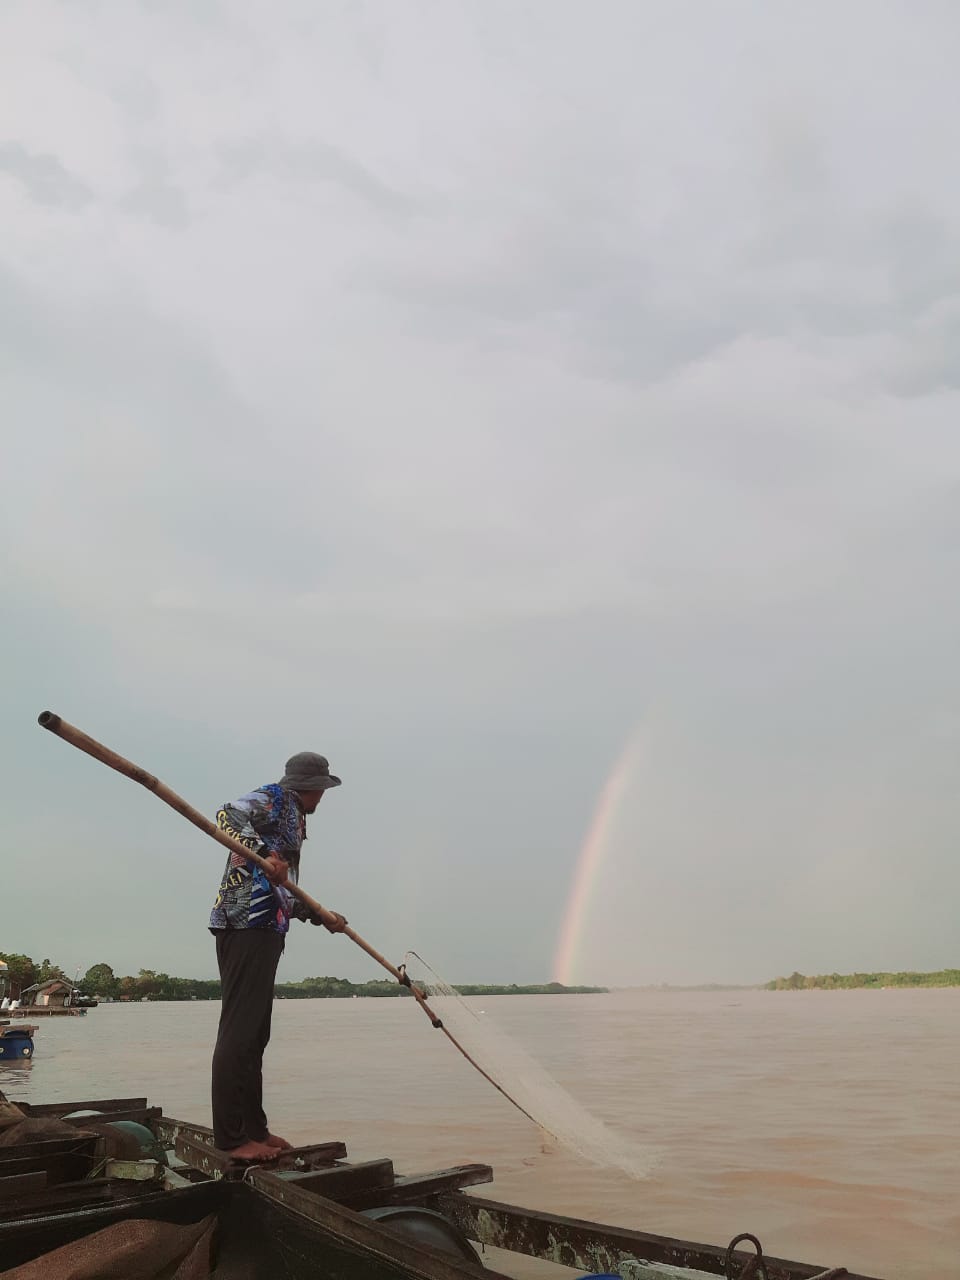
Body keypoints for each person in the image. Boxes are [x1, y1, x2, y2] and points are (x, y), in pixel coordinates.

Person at [209, 750, 347, 1160]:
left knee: (256, 1034)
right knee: (239, 1031)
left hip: (269, 924)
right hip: (244, 922)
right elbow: (226, 815)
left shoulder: (296, 818)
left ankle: (255, 1129)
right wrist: (262, 854)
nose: (323, 798)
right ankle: (232, 1140)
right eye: (321, 790)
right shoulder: (273, 798)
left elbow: (284, 889)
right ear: (312, 787)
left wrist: (321, 915)